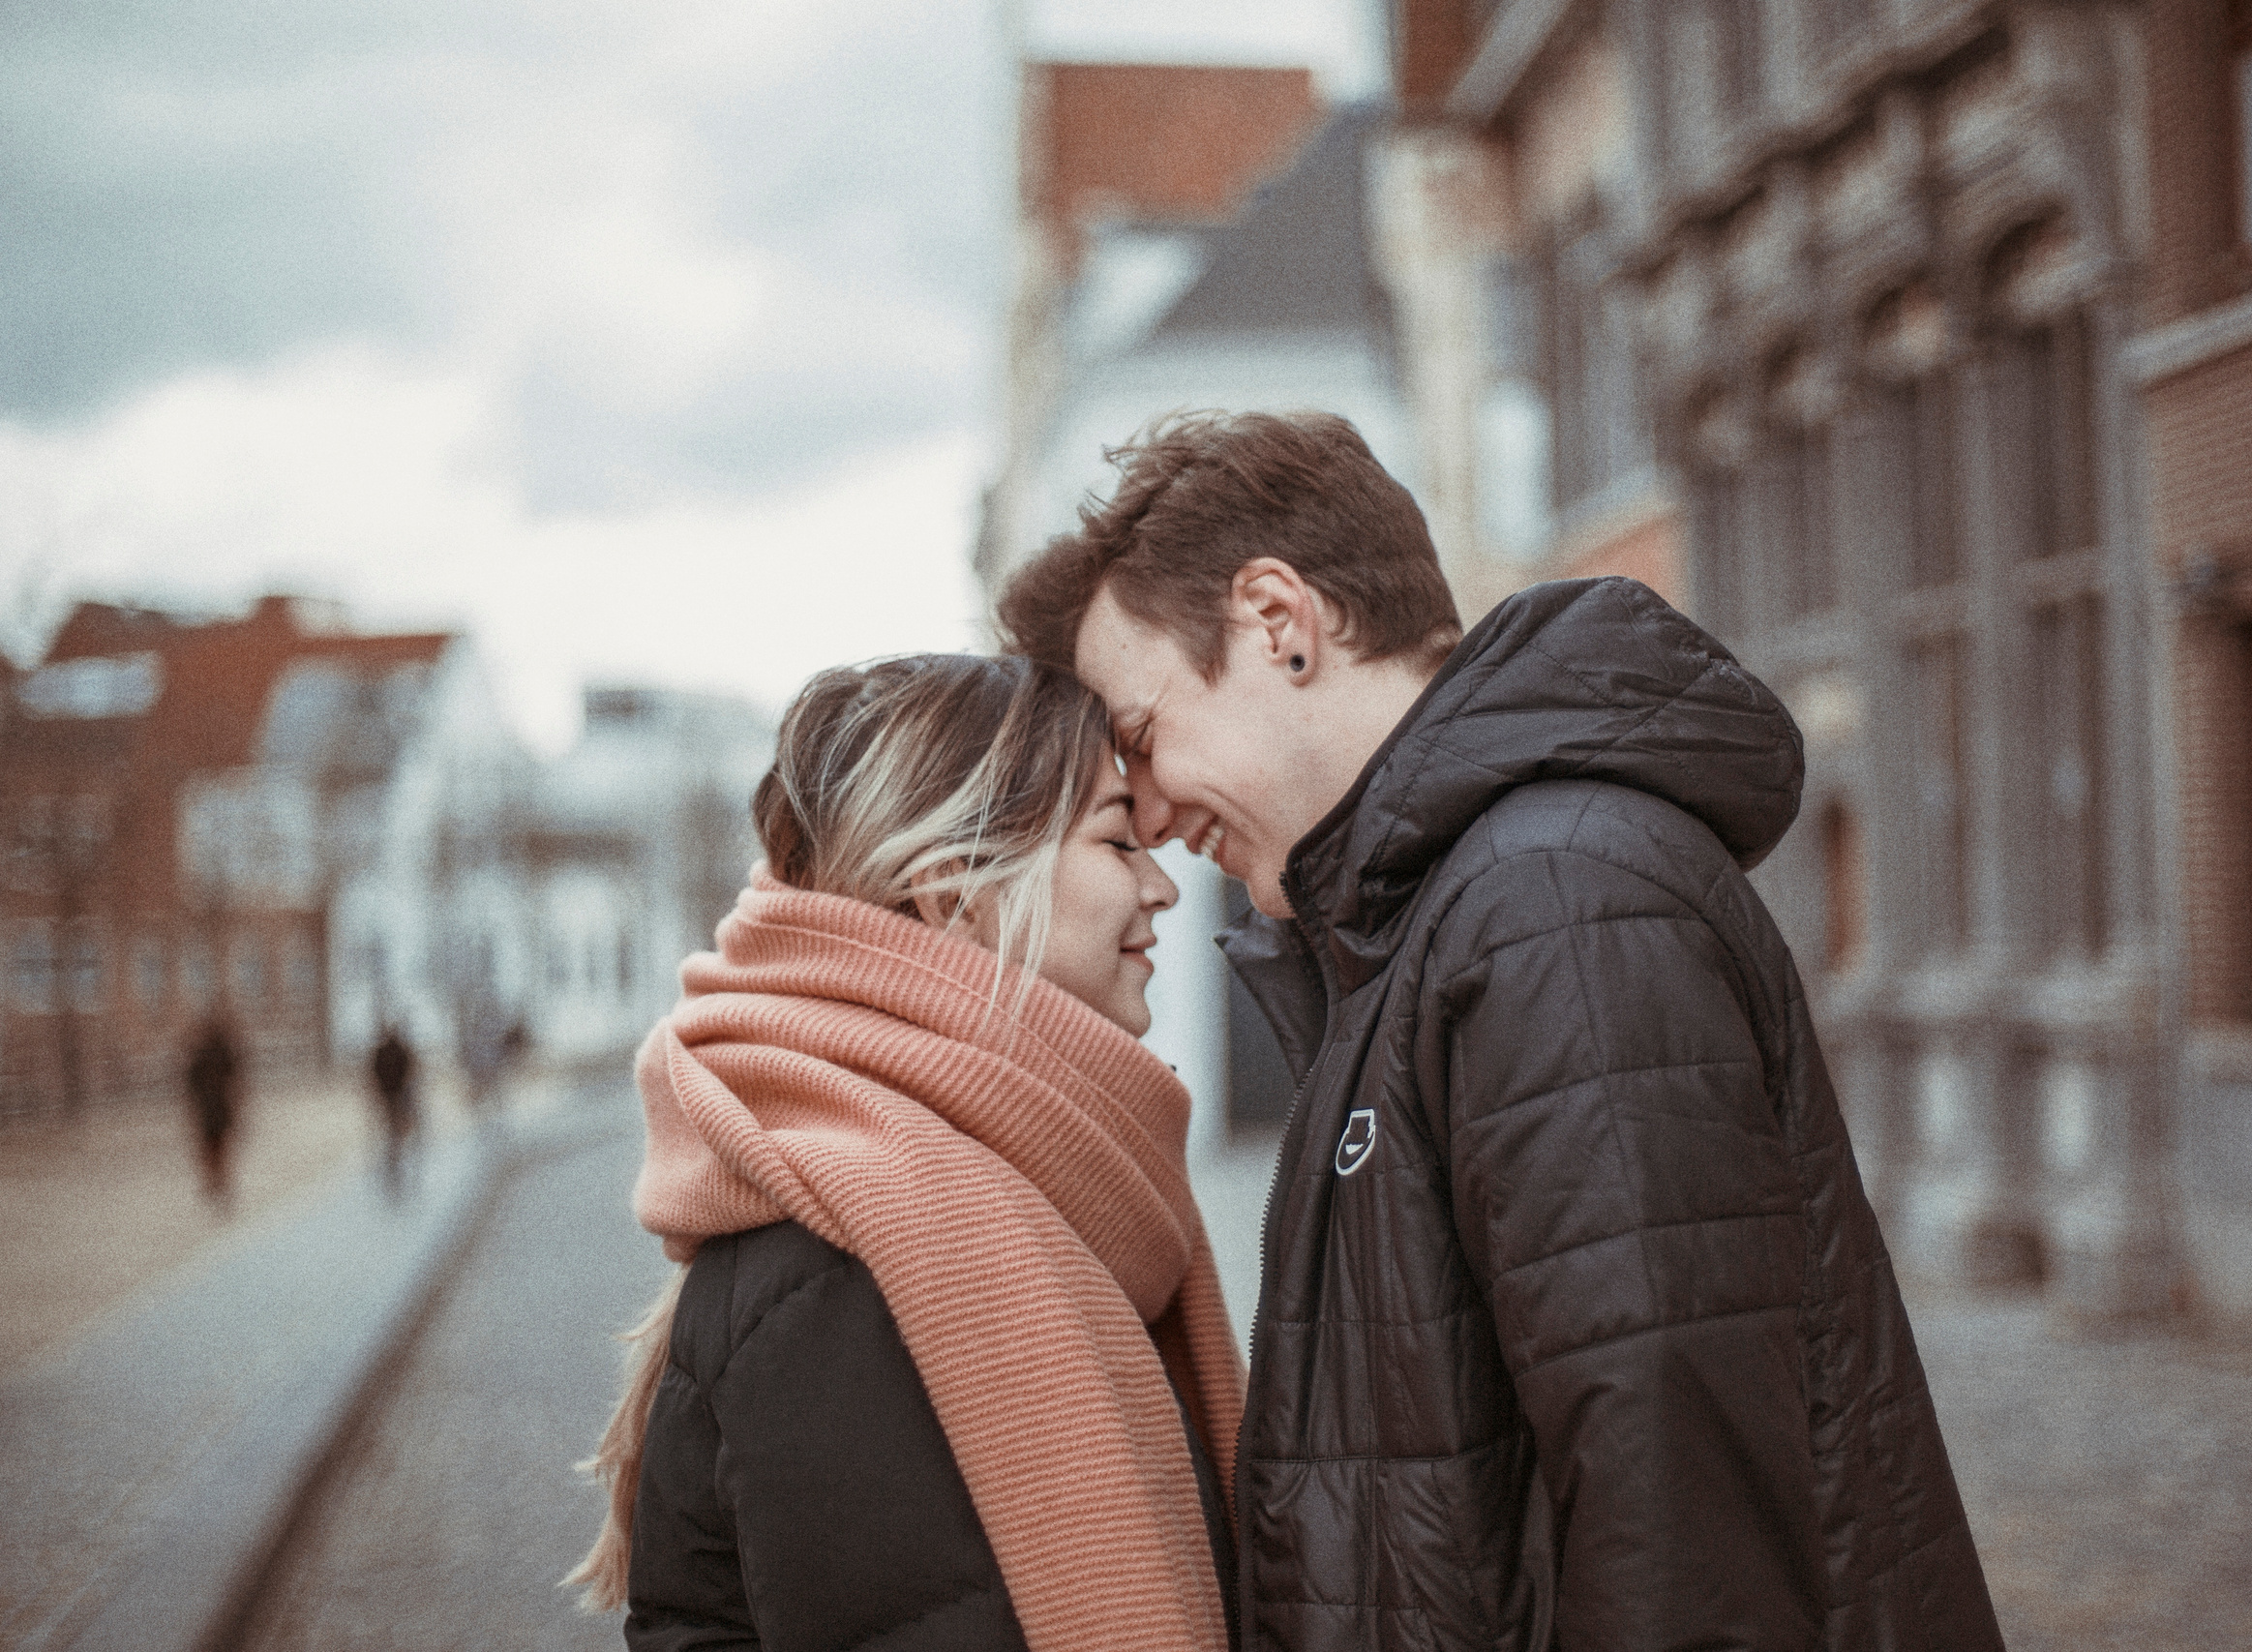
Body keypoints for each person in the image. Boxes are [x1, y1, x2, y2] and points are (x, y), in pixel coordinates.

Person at [998, 410, 2006, 1652]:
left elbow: (1677, 1511)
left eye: (1145, 739)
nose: (1147, 813)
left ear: (1278, 622)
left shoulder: (1551, 906)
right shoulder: (1433, 926)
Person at [570, 653, 1246, 1652]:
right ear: (952, 893)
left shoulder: (992, 1194)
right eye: (1115, 841)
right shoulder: (864, 1266)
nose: (1161, 887)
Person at [182, 1018, 243, 1213]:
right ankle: (217, 1182)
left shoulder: (207, 1057)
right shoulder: (215, 1057)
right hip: (214, 1109)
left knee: (214, 1148)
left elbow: (191, 1086)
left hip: (212, 1110)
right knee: (216, 1148)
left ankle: (216, 1182)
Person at [368, 1025, 416, 1196]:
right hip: (395, 1093)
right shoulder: (399, 1051)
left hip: (388, 1093)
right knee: (395, 1124)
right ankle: (395, 1143)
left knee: (391, 1123)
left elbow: (374, 1072)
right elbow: (408, 1071)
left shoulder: (382, 1051)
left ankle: (393, 1143)